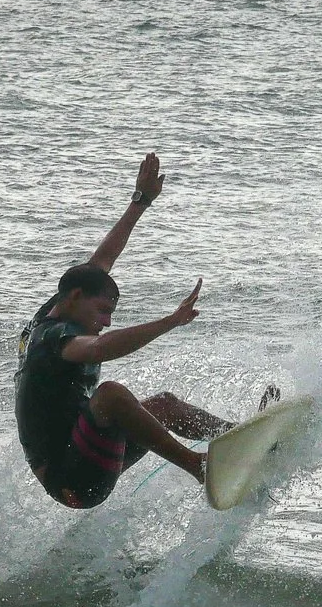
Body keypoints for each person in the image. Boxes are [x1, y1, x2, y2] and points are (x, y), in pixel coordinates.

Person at [16, 154, 236, 508]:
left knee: (164, 405)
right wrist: (169, 322)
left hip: (86, 448)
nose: (105, 322)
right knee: (111, 395)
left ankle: (238, 440)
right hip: (71, 479)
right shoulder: (52, 338)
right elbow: (96, 349)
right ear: (74, 297)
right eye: (103, 311)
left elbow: (101, 263)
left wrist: (141, 202)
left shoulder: (58, 308)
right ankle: (199, 466)